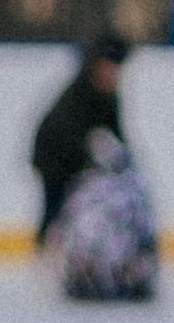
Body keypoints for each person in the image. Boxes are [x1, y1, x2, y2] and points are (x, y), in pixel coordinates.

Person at [31, 33, 130, 246]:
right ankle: (44, 250)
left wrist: (124, 157)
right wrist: (90, 159)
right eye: (107, 68)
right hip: (53, 158)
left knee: (81, 205)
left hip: (75, 160)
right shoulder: (79, 93)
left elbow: (115, 131)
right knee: (55, 205)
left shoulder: (109, 95)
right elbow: (66, 133)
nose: (111, 74)